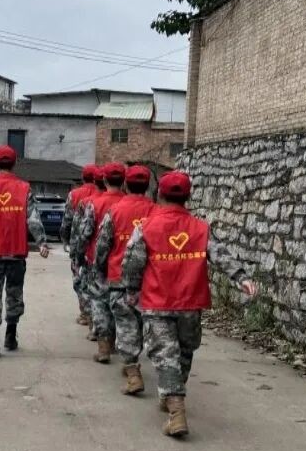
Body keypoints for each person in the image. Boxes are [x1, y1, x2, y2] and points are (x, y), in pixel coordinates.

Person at [122, 170, 258, 437]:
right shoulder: (201, 228)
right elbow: (221, 255)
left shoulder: (146, 227)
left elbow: (132, 264)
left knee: (165, 356)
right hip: (191, 303)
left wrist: (131, 290)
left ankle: (176, 412)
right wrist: (241, 278)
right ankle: (171, 395)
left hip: (158, 303)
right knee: (184, 353)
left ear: (159, 193)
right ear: (188, 196)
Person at [0, 145, 49, 359]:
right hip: (16, 251)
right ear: (15, 163)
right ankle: (10, 336)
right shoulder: (24, 188)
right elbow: (33, 218)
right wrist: (42, 241)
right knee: (14, 293)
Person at [93, 164, 155, 395]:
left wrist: (100, 268)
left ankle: (132, 372)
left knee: (126, 324)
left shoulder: (115, 211)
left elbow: (103, 244)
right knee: (139, 323)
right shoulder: (156, 211)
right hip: (149, 282)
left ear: (127, 184)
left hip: (119, 278)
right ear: (148, 186)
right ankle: (134, 361)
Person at [72, 162, 126, 363]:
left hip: (99, 260)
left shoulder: (93, 204)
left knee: (100, 303)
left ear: (103, 180)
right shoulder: (130, 204)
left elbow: (85, 234)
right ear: (123, 181)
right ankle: (119, 343)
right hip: (128, 265)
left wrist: (78, 256)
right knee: (124, 306)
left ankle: (103, 346)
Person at [60, 164, 99, 326]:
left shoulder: (74, 194)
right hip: (99, 246)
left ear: (83, 178)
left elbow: (67, 220)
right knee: (97, 282)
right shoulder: (102, 194)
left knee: (79, 280)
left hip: (78, 244)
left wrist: (65, 239)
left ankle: (86, 313)